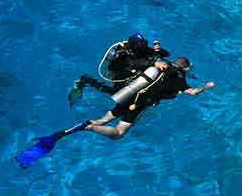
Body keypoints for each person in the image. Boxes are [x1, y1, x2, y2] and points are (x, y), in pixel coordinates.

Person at [86, 57, 215, 139]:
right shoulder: (179, 80)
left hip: (128, 96)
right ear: (185, 69)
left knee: (103, 120)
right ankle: (91, 127)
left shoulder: (158, 65)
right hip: (139, 105)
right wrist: (206, 87)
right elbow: (192, 92)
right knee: (119, 133)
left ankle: (91, 124)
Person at [69, 33, 169, 104]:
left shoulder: (141, 49)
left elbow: (166, 54)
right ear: (134, 47)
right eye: (140, 46)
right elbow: (132, 64)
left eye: (144, 44)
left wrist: (159, 50)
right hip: (120, 73)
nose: (143, 48)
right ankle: (86, 80)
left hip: (134, 71)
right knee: (116, 93)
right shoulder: (122, 53)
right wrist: (154, 62)